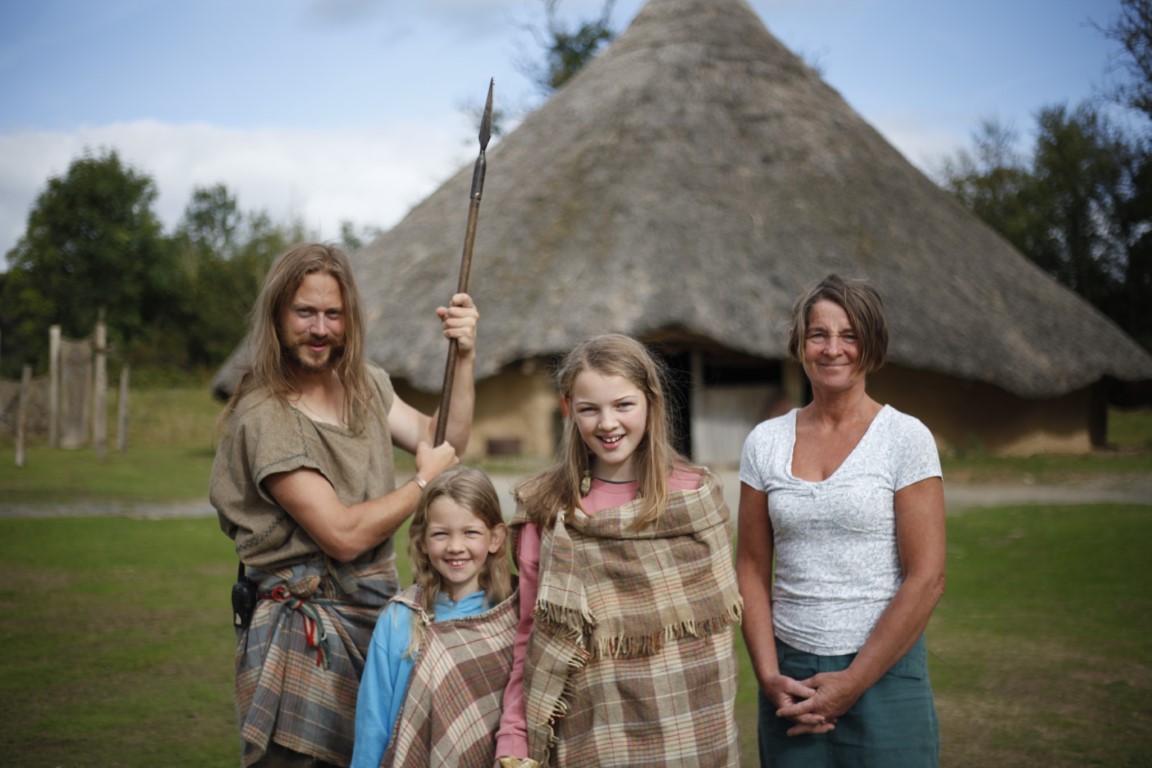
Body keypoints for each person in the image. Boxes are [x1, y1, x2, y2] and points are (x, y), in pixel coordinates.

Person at [210, 242, 479, 768]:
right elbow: (342, 534)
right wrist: (423, 482)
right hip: (301, 636)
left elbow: (441, 437)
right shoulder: (265, 415)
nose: (320, 329)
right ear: (277, 317)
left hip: (374, 620)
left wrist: (464, 356)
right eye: (305, 312)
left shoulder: (366, 386)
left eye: (333, 314)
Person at [494, 333, 743, 768]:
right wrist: (514, 735)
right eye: (590, 409)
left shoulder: (695, 499)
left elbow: (716, 636)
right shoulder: (550, 509)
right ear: (568, 409)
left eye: (623, 405)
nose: (607, 423)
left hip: (693, 729)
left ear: (651, 402)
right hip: (595, 732)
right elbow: (531, 634)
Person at [737, 274, 946, 767]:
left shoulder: (906, 439)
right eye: (819, 334)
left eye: (849, 335)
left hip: (886, 671)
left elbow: (927, 578)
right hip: (790, 679)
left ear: (871, 346)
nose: (833, 349)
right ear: (800, 343)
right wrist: (768, 675)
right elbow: (749, 567)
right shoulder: (764, 442)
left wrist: (853, 682)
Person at [351, 466, 517, 768]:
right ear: (423, 542)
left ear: (495, 538)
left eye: (470, 532)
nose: (455, 547)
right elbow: (372, 723)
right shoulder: (399, 618)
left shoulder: (513, 613)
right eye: (441, 534)